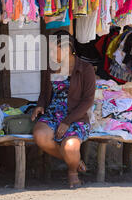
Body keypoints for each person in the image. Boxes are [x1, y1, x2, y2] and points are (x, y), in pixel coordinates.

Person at [31, 30, 96, 188]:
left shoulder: (85, 69)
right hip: (53, 113)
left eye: (54, 49)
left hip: (76, 116)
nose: (51, 53)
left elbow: (88, 100)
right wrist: (40, 106)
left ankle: (72, 171)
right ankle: (74, 159)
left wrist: (67, 121)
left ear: (67, 49)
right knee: (40, 135)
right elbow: (45, 93)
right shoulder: (51, 68)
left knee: (71, 146)